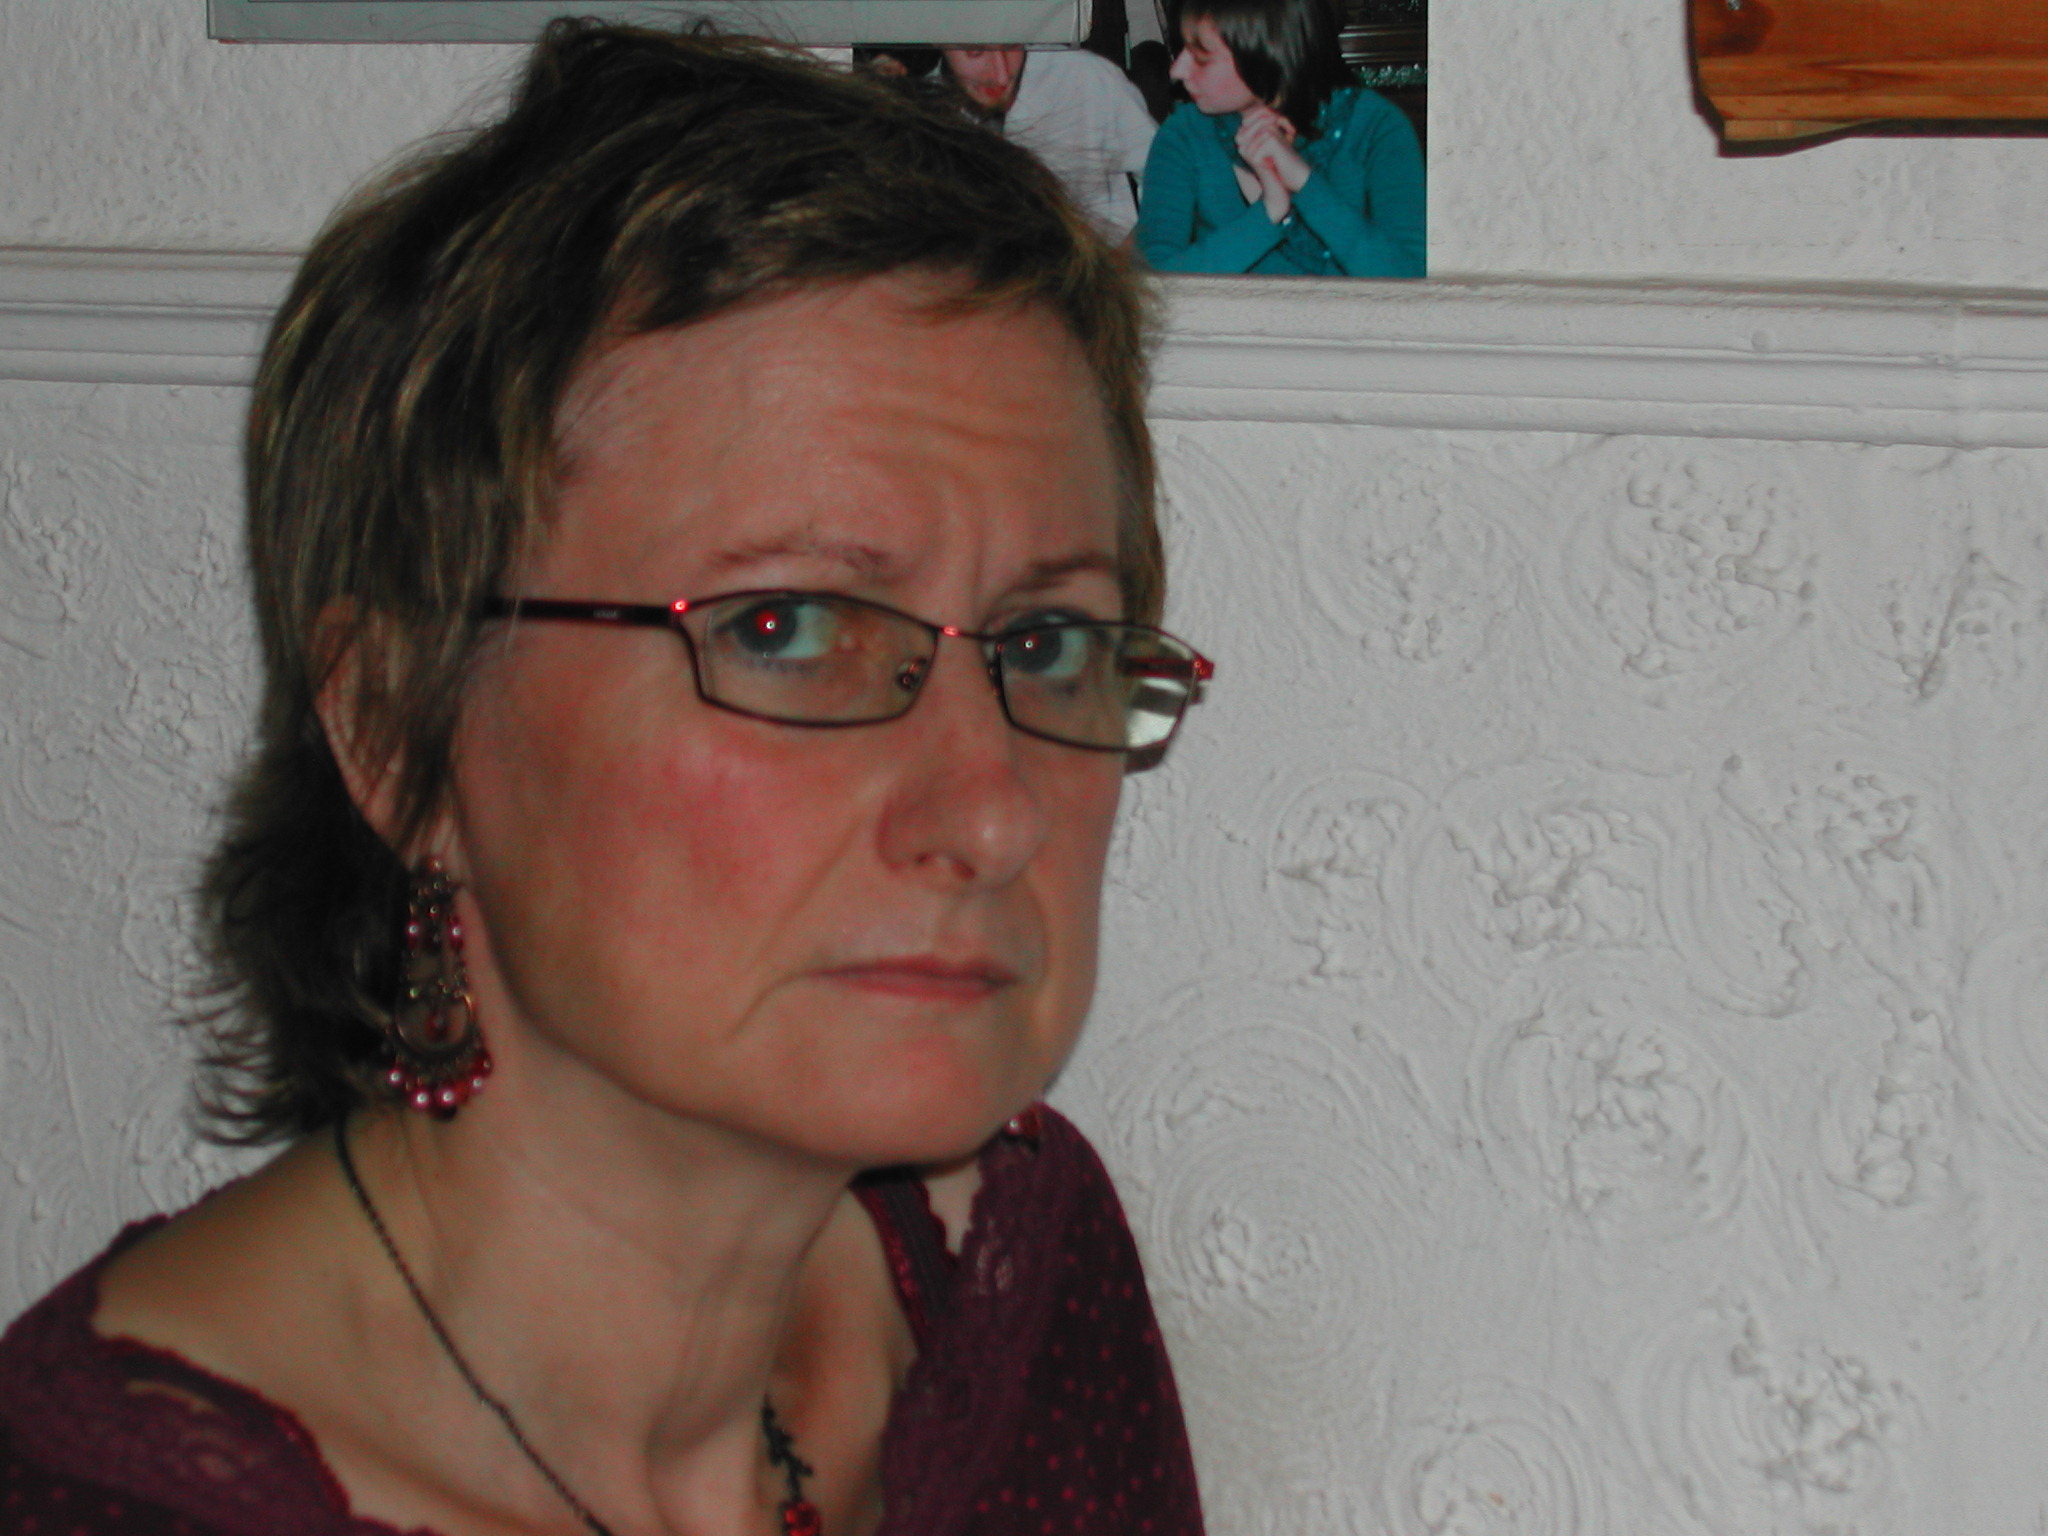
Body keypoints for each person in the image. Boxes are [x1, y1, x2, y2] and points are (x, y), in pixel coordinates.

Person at [0, 22, 1212, 1536]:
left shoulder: (1010, 1277)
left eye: (1047, 642)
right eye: (786, 630)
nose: (990, 810)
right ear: (396, 727)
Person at [1136, 0, 1425, 277]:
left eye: (1201, 58)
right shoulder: (1184, 134)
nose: (1177, 71)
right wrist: (1268, 213)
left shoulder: (1375, 126)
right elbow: (1151, 286)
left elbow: (1411, 280)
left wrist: (1305, 182)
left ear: (1266, 53)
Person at [941, 46, 1158, 243]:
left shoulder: (1082, 75)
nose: (1002, 74)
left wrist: (1129, 254)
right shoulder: (931, 114)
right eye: (976, 51)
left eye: (1011, 45)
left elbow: (1168, 177)